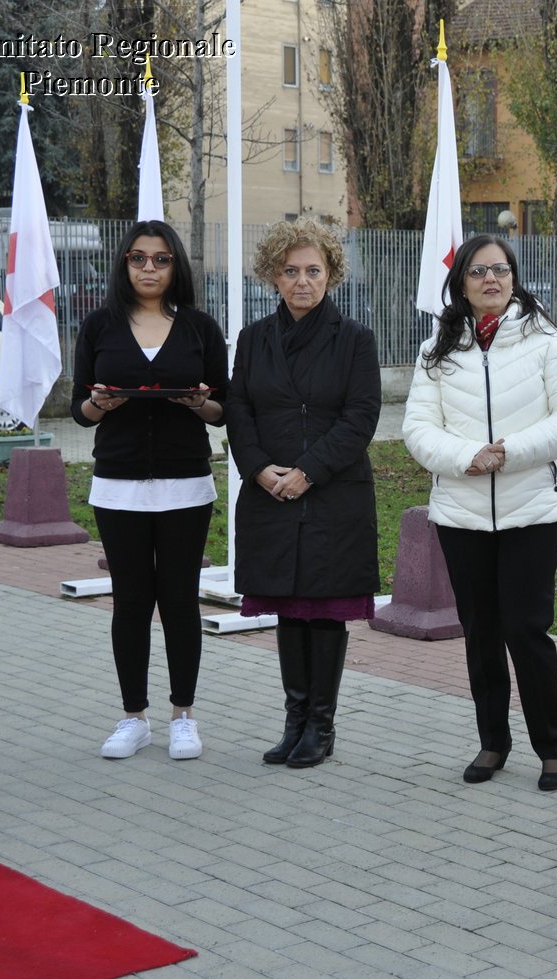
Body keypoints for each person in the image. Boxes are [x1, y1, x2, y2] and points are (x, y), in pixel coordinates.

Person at [402, 235, 557, 791]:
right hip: (462, 514)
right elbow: (417, 429)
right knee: (480, 630)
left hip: (533, 510)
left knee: (525, 628)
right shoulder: (436, 349)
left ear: (514, 278)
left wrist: (508, 452)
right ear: (461, 281)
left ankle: (553, 748)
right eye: (480, 271)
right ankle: (492, 742)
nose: (492, 279)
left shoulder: (544, 340)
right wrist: (468, 457)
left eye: (501, 270)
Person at [226, 219, 381, 769]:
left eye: (313, 271)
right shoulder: (252, 339)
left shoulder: (356, 340)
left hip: (332, 494)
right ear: (274, 276)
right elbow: (238, 411)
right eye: (291, 271)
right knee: (288, 610)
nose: (302, 282)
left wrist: (307, 471)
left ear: (331, 275)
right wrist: (259, 469)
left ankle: (321, 726)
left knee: (323, 611)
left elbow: (361, 418)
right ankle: (293, 721)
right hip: (269, 492)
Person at [72, 220, 228, 761]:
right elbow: (80, 409)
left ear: (175, 266)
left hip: (186, 483)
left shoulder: (200, 329)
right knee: (132, 602)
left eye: (160, 260)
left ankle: (183, 715)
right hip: (117, 485)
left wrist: (198, 403)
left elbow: (221, 406)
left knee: (179, 600)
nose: (148, 269)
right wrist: (100, 404)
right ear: (124, 264)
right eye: (138, 259)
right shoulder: (99, 327)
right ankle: (132, 717)